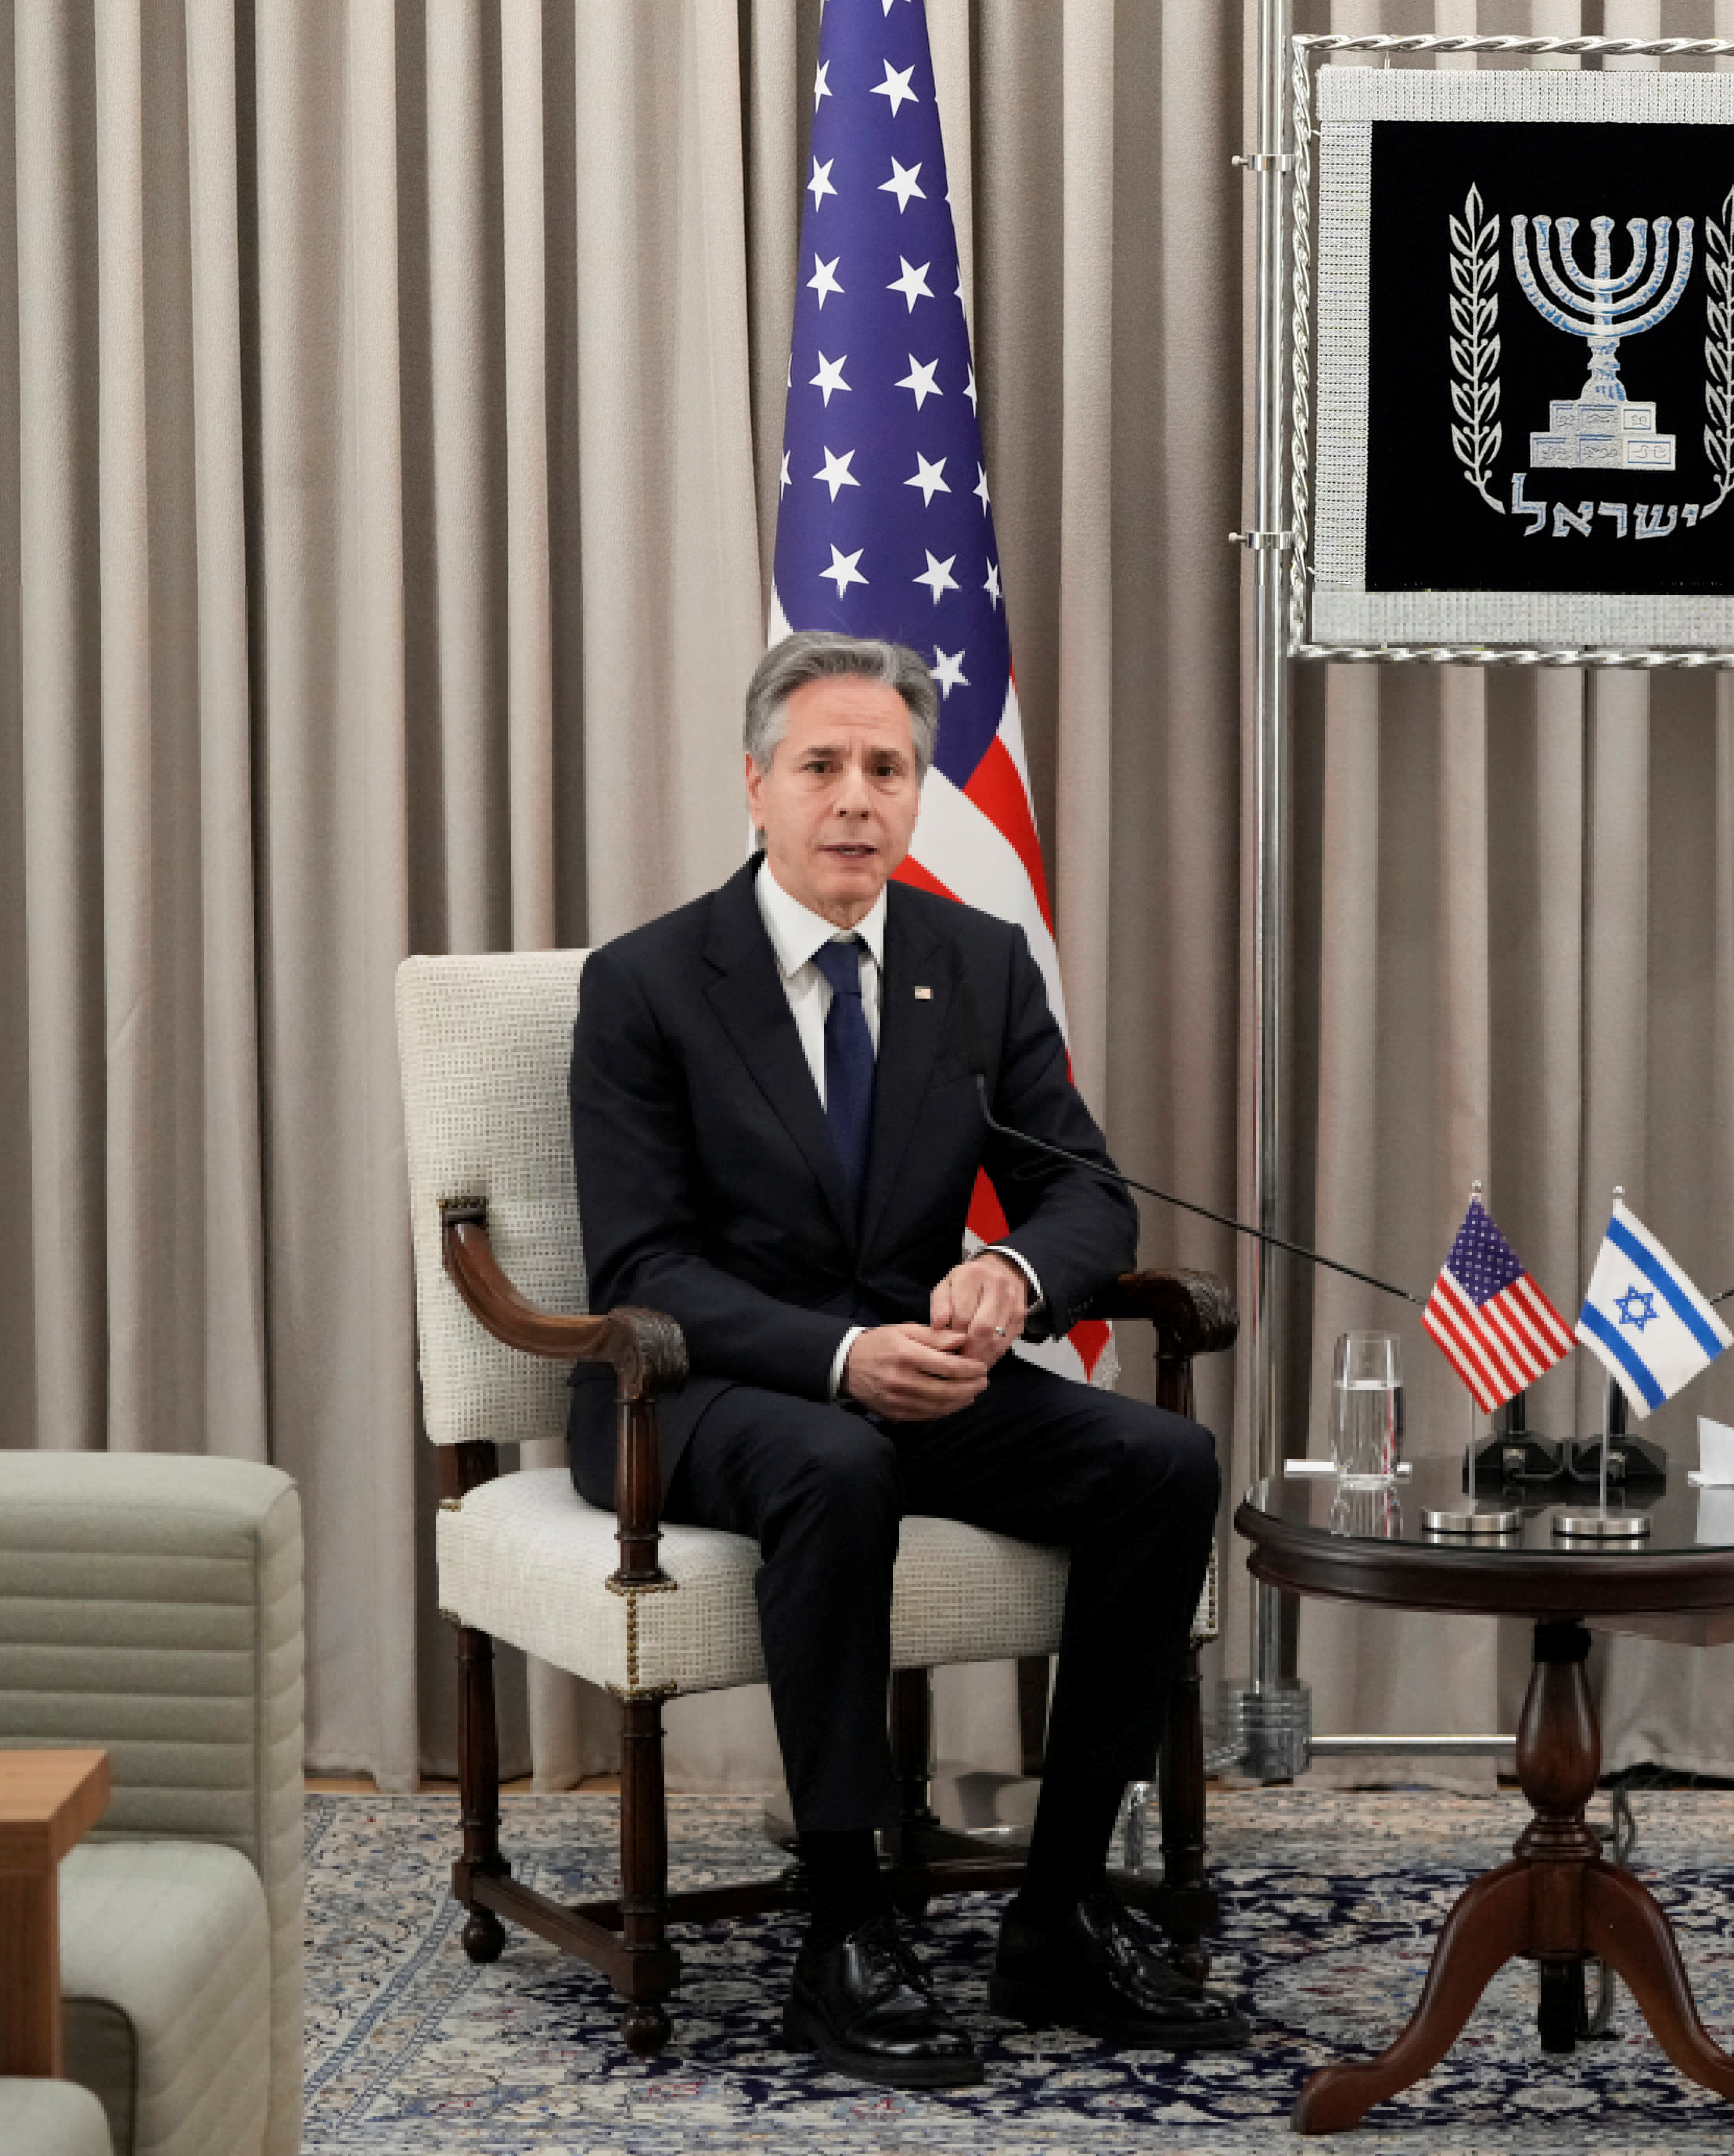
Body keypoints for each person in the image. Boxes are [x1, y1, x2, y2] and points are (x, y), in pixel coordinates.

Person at [567, 632, 1245, 2087]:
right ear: (757, 787)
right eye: (823, 766)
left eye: (888, 768)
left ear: (920, 797)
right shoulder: (647, 985)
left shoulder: (975, 967)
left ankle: (1059, 1915)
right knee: (835, 1457)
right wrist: (841, 1354)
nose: (856, 798)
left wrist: (1009, 1272)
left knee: (1163, 1464)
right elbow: (642, 1269)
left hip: (925, 1378)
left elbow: (1085, 1190)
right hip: (698, 1389)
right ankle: (847, 1927)